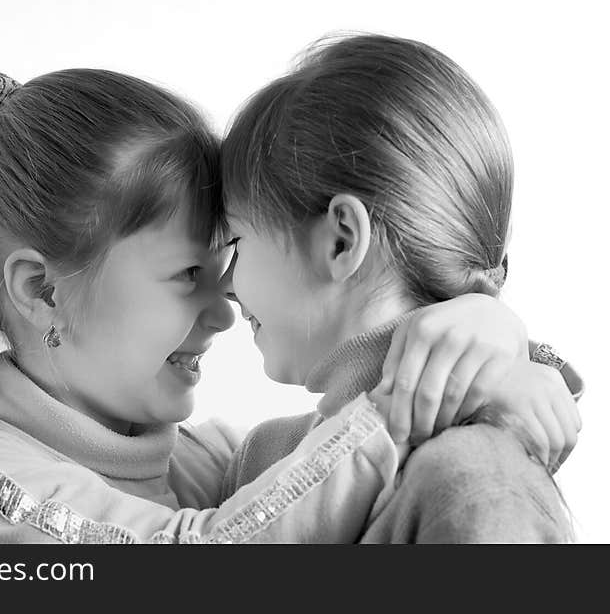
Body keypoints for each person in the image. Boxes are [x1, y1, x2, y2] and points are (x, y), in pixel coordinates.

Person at [0, 66, 577, 544]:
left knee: (473, 458)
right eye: (187, 275)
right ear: (42, 290)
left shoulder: (217, 465)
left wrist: (490, 336)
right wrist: (411, 398)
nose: (226, 312)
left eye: (227, 266)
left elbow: (318, 459)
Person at [218, 34, 583, 542]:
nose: (226, 287)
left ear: (342, 241)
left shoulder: (475, 476)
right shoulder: (262, 457)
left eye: (238, 241)